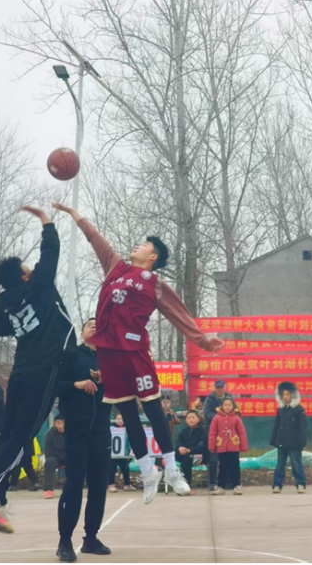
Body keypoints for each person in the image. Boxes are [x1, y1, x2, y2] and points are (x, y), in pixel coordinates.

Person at [54, 202, 224, 506]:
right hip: (110, 355)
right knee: (128, 415)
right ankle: (148, 472)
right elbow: (96, 239)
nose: (137, 245)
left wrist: (201, 339)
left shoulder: (153, 283)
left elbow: (177, 313)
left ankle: (171, 469)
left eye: (144, 244)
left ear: (153, 256)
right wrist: (75, 215)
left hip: (135, 351)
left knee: (154, 411)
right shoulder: (115, 267)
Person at [0, 206, 77, 535]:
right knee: (22, 436)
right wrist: (46, 221)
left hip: (19, 374)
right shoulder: (39, 286)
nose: (32, 268)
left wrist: (9, 304)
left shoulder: (7, 301)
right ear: (25, 276)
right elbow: (51, 252)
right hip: (43, 371)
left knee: (10, 435)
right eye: (26, 268)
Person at [55, 317, 113, 561]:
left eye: (99, 324)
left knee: (99, 485)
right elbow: (54, 385)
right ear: (82, 333)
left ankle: (91, 538)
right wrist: (77, 384)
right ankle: (64, 540)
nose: (95, 326)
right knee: (74, 484)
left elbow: (124, 388)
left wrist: (106, 379)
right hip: (76, 430)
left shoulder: (110, 358)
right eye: (90, 324)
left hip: (101, 429)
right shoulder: (72, 355)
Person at [271, 381, 308, 494]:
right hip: (281, 443)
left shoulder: (299, 410)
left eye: (287, 394)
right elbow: (276, 426)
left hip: (294, 444)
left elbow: (302, 428)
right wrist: (274, 440)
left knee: (296, 464)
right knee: (280, 465)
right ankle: (277, 485)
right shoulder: (280, 410)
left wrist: (302, 443)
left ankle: (300, 484)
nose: (285, 397)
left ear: (292, 395)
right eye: (283, 394)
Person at [208, 398, 248, 495]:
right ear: (222, 406)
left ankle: (237, 485)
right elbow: (212, 433)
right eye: (225, 405)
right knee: (222, 467)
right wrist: (212, 446)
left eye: (229, 405)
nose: (227, 407)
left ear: (233, 406)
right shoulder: (216, 418)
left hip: (234, 447)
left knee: (235, 466)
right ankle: (221, 486)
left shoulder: (236, 418)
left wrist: (243, 446)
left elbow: (241, 433)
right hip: (221, 447)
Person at [203, 381, 236, 493]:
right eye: (218, 387)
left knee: (227, 458)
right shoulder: (209, 399)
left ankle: (227, 482)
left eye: (221, 387)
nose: (220, 389)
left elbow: (236, 411)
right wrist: (221, 418)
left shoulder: (229, 397)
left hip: (228, 434)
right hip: (214, 433)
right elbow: (207, 414)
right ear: (214, 388)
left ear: (225, 388)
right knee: (213, 459)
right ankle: (212, 483)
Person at [176, 410, 208, 493]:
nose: (191, 420)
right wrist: (180, 448)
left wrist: (190, 450)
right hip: (187, 454)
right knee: (183, 459)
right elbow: (178, 442)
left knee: (211, 457)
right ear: (186, 420)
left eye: (193, 418)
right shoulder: (183, 431)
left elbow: (203, 444)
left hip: (200, 454)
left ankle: (213, 483)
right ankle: (187, 485)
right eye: (189, 418)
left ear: (198, 419)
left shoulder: (203, 430)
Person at [43, 414, 67, 500]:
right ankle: (48, 489)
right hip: (55, 458)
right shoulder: (49, 434)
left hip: (69, 457)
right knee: (49, 462)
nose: (60, 426)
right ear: (54, 423)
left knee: (78, 461)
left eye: (63, 423)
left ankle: (74, 487)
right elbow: (48, 452)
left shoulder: (72, 433)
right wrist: (60, 456)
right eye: (58, 423)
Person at [109, 413, 134, 492]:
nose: (120, 421)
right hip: (113, 453)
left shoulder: (127, 429)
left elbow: (129, 442)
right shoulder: (110, 428)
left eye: (122, 419)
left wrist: (129, 453)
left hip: (123, 453)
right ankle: (111, 485)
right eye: (118, 419)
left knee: (125, 468)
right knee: (112, 469)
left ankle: (127, 484)